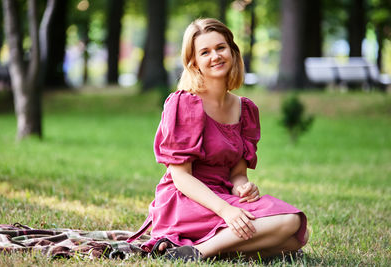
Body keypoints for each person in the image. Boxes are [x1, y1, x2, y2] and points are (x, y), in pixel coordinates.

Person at [127, 18, 309, 261]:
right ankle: (196, 253)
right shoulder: (184, 103)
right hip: (186, 200)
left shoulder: (245, 110)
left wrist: (243, 186)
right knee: (290, 222)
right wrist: (227, 211)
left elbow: (237, 174)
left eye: (220, 48)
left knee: (298, 236)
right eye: (205, 52)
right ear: (194, 62)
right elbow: (181, 177)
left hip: (224, 196)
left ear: (232, 52)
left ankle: (208, 250)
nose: (215, 56)